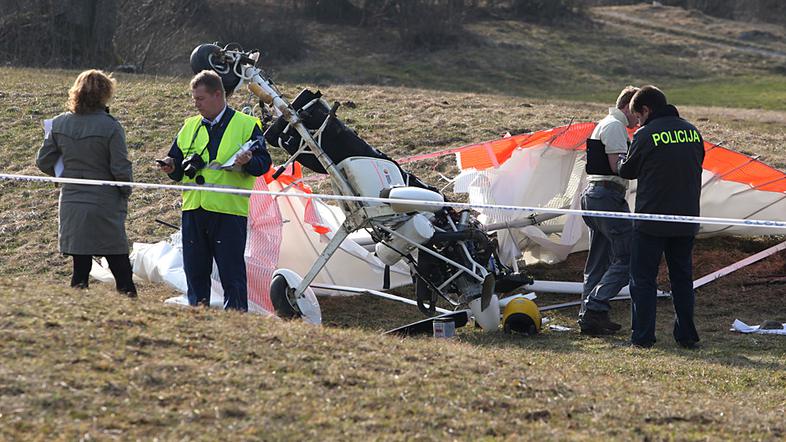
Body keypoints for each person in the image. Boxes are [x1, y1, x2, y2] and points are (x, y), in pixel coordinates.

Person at [158, 70, 271, 311]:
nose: (195, 104)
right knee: (195, 271)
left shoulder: (247, 125)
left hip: (228, 212)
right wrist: (170, 167)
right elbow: (177, 166)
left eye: (200, 98)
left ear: (218, 95)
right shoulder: (189, 126)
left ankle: (236, 318)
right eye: (194, 99)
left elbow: (263, 165)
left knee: (232, 273)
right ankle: (199, 318)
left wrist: (247, 162)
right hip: (194, 210)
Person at [36, 69, 137, 296]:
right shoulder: (111, 126)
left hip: (72, 201)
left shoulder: (59, 124)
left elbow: (43, 161)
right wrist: (125, 191)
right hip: (105, 203)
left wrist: (60, 175)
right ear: (105, 94)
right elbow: (120, 168)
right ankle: (131, 310)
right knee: (120, 265)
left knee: (79, 268)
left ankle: (79, 314)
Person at [618, 85, 705, 349]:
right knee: (682, 279)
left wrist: (621, 158)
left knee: (642, 279)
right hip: (686, 218)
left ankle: (642, 337)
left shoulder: (647, 134)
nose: (638, 123)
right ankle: (687, 335)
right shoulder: (692, 131)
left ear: (646, 110)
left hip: (651, 219)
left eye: (639, 117)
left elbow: (628, 171)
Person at [577, 86, 639, 335]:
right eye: (637, 113)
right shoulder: (615, 126)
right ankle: (595, 305)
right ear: (628, 107)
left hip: (596, 195)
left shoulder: (605, 123)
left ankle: (589, 317)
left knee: (598, 263)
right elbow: (618, 166)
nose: (638, 119)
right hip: (607, 196)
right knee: (631, 256)